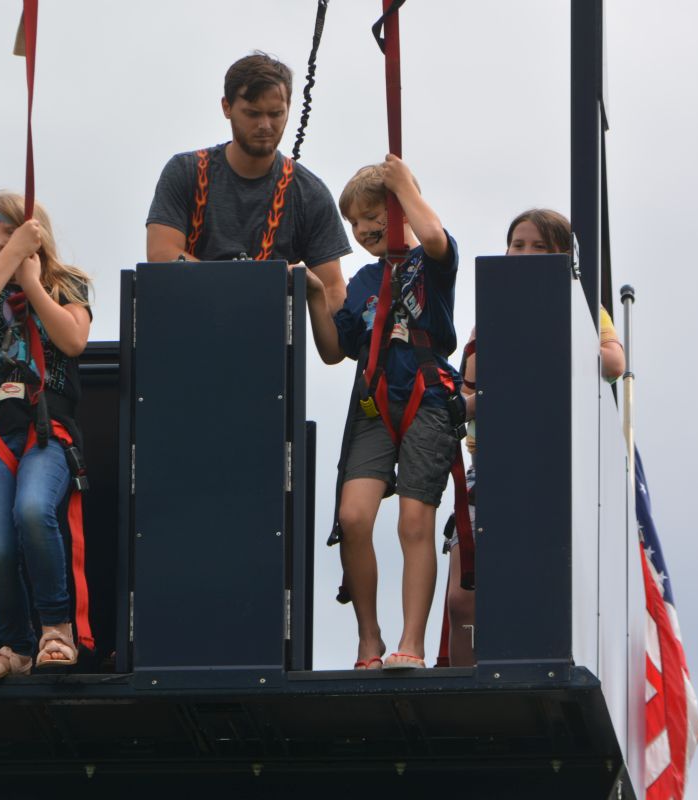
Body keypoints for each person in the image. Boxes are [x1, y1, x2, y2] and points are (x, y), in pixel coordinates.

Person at [443, 207, 625, 667]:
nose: (524, 254)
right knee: (463, 599)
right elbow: (471, 392)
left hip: (545, 466)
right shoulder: (490, 314)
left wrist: (553, 340)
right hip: (489, 468)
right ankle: (464, 685)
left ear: (562, 257)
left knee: (532, 585)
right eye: (517, 245)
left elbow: (613, 362)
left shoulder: (580, 309)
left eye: (539, 247)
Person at [306, 155, 464, 671]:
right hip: (374, 403)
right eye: (354, 222)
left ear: (399, 211)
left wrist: (404, 187)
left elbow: (433, 236)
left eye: (374, 215)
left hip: (426, 398)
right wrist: (315, 297)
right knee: (353, 517)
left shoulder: (430, 264)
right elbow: (335, 349)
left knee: (414, 521)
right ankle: (368, 636)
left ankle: (411, 642)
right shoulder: (364, 282)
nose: (363, 229)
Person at [0, 191, 93, 680]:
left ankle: (55, 629)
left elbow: (73, 341)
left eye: (8, 232)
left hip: (46, 428)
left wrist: (33, 283)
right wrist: (13, 255)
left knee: (33, 511)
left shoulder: (67, 283)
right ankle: (14, 644)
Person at [146, 51, 352, 351]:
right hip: (183, 340)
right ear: (226, 107)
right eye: (253, 114)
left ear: (289, 109)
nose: (265, 125)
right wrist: (249, 281)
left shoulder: (309, 193)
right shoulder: (186, 171)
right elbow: (161, 254)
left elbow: (332, 293)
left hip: (265, 353)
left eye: (276, 113)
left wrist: (316, 293)